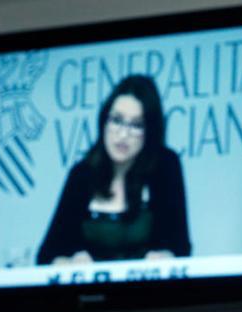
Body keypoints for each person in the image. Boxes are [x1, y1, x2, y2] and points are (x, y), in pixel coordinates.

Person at [36, 75, 191, 265]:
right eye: (117, 120)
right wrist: (67, 261)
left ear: (150, 131)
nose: (123, 134)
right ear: (104, 121)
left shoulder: (166, 166)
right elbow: (47, 255)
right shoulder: (82, 173)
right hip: (90, 294)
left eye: (136, 125)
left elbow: (181, 248)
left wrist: (167, 257)